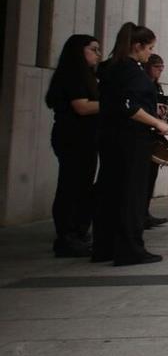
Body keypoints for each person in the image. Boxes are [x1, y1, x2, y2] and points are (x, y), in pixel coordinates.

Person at [94, 22, 168, 266]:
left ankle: (104, 246)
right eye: (149, 48)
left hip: (110, 137)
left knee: (110, 190)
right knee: (131, 193)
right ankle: (129, 248)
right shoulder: (131, 71)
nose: (150, 53)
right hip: (131, 139)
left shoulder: (110, 68)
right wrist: (158, 123)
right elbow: (129, 106)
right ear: (137, 46)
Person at [45, 34, 101, 257]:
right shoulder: (73, 74)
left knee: (82, 186)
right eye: (93, 49)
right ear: (79, 51)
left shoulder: (87, 75)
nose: (97, 54)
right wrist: (113, 103)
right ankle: (66, 236)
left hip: (85, 136)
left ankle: (77, 232)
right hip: (73, 136)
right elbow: (82, 107)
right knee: (71, 186)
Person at [143, 54, 168, 227]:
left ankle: (145, 212)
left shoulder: (157, 86)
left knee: (151, 175)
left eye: (162, 67)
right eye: (156, 67)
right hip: (144, 133)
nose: (160, 70)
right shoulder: (143, 84)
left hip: (155, 134)